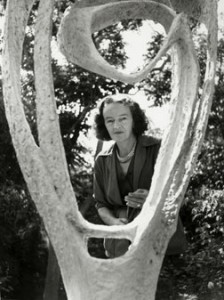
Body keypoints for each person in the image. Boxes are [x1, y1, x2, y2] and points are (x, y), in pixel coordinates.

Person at [93, 93, 187, 258]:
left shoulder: (159, 148)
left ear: (134, 120)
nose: (116, 126)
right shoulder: (101, 160)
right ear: (104, 125)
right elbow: (101, 205)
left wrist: (153, 199)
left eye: (123, 118)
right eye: (110, 120)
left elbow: (178, 192)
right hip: (119, 249)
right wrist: (114, 223)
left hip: (159, 245)